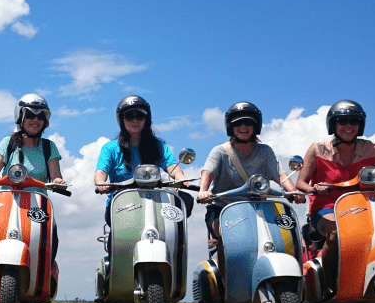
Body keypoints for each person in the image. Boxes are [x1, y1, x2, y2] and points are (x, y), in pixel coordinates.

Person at [295, 100, 375, 295]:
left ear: (361, 125)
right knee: (335, 233)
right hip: (327, 209)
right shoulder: (318, 149)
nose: (348, 126)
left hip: (365, 208)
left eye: (354, 121)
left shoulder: (374, 149)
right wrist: (315, 187)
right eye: (343, 121)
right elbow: (300, 183)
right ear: (333, 125)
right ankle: (328, 285)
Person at [197, 102, 304, 259]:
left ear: (256, 126)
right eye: (237, 123)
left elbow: (279, 175)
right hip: (224, 210)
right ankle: (225, 279)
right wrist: (203, 191)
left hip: (261, 210)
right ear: (230, 126)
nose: (243, 126)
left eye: (248, 122)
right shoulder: (220, 151)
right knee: (228, 235)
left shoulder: (265, 151)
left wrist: (293, 191)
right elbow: (208, 172)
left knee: (288, 236)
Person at [0, 93, 67, 257]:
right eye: (30, 115)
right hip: (7, 202)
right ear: (20, 116)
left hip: (37, 206)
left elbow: (55, 175)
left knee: (50, 235)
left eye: (40, 116)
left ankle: (46, 272)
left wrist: (58, 181)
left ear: (45, 121)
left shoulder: (49, 147)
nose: (35, 120)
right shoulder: (8, 143)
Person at [94, 95, 193, 226]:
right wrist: (101, 183)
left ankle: (178, 246)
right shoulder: (110, 148)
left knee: (183, 204)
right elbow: (101, 172)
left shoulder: (159, 146)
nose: (135, 120)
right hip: (121, 206)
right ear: (121, 120)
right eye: (129, 116)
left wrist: (180, 177)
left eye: (139, 116)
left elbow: (172, 167)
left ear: (147, 119)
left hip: (154, 204)